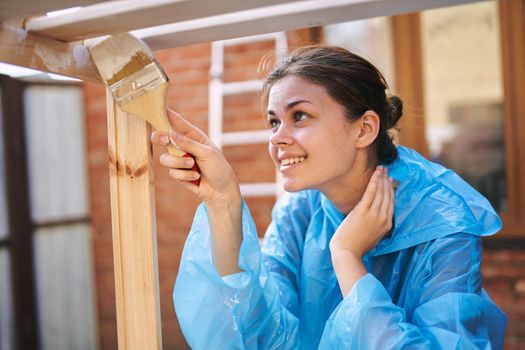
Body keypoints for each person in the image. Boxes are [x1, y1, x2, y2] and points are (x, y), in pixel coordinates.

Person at [151, 46, 506, 349]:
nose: (277, 138)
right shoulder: (300, 211)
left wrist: (347, 256)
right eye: (274, 122)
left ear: (364, 129)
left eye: (300, 116)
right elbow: (258, 334)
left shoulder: (442, 218)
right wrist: (224, 200)